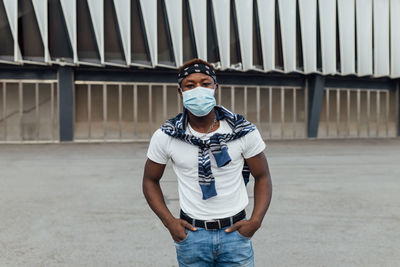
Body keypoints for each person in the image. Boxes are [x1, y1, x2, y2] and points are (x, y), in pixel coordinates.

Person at [142, 58, 272, 267]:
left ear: (215, 87)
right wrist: (171, 223)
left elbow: (263, 176)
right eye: (190, 85)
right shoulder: (167, 135)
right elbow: (150, 180)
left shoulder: (242, 131)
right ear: (180, 92)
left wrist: (255, 221)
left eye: (205, 83)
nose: (198, 90)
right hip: (192, 236)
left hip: (235, 234)